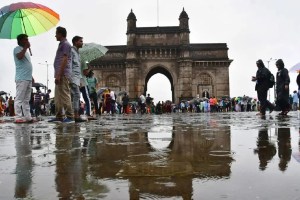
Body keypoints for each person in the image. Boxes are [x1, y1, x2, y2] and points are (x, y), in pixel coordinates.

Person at [48, 26, 74, 123]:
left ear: (60, 34)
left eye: (56, 33)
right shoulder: (61, 45)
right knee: (58, 96)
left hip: (63, 74)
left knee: (64, 95)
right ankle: (59, 116)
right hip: (59, 74)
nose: (55, 35)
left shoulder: (66, 44)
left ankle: (70, 116)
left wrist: (59, 74)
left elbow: (64, 60)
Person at [13, 34, 34, 123]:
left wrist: (32, 76)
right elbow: (19, 57)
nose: (27, 41)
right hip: (21, 78)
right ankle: (18, 117)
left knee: (26, 99)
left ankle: (28, 117)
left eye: (27, 39)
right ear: (20, 41)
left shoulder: (27, 52)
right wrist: (25, 47)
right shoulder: (17, 49)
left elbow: (27, 64)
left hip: (28, 78)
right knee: (19, 98)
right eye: (25, 39)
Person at [70, 36, 87, 122]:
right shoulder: (71, 51)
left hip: (77, 78)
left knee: (75, 95)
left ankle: (74, 114)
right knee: (76, 95)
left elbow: (78, 69)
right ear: (75, 42)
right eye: (80, 41)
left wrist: (79, 80)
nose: (82, 43)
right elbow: (69, 65)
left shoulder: (78, 53)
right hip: (72, 77)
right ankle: (75, 115)